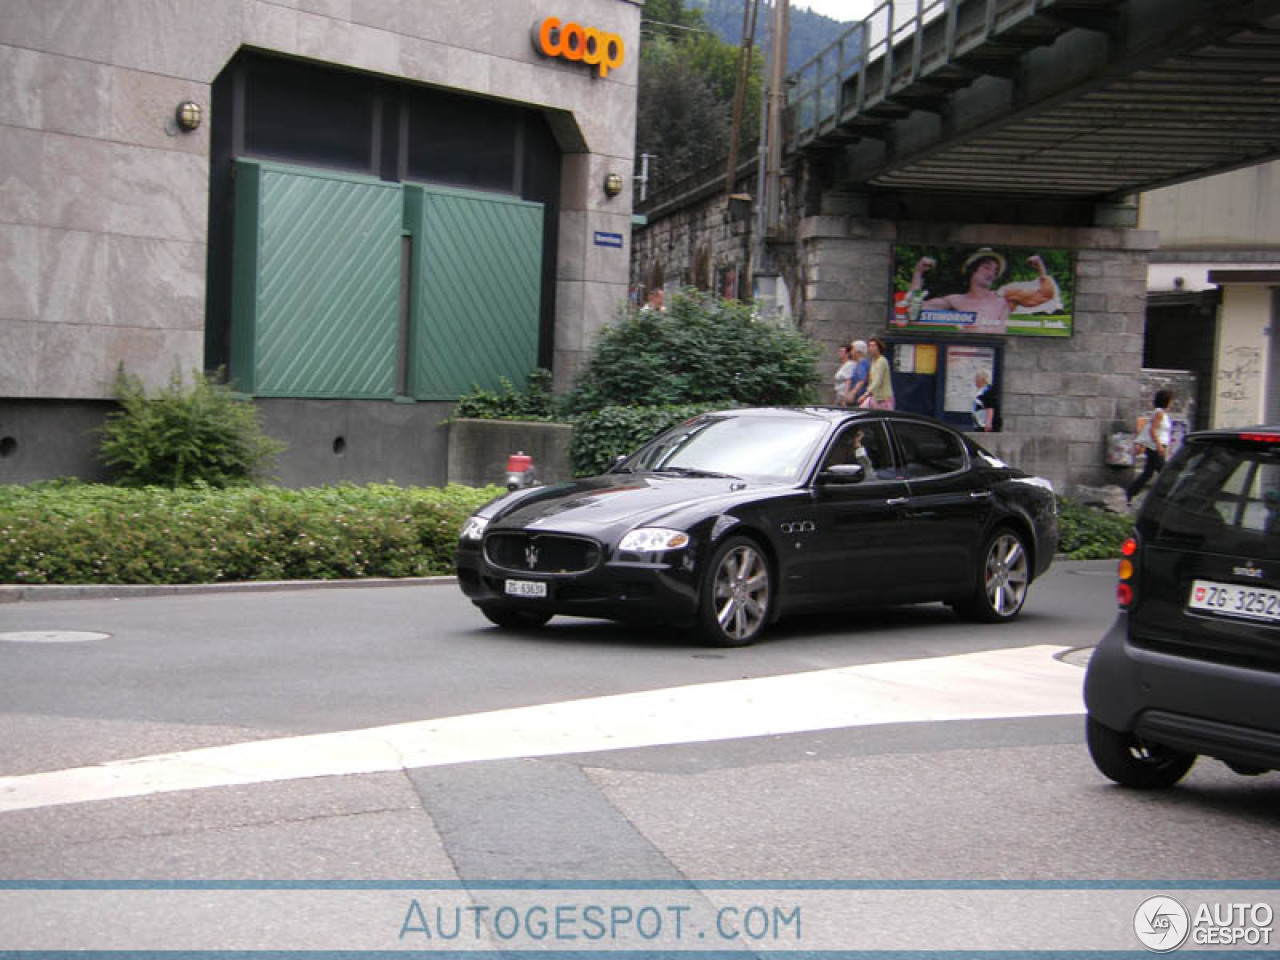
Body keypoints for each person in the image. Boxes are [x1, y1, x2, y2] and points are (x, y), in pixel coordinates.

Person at [907, 248, 1056, 333]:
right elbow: (914, 313)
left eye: (995, 271)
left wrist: (1040, 268)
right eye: (986, 267)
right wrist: (918, 273)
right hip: (962, 360)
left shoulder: (1005, 298)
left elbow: (1044, 295)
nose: (991, 273)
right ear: (973, 270)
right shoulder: (955, 300)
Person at [1127, 389, 1173, 505]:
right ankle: (1168, 497)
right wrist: (1158, 445)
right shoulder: (1159, 414)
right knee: (1166, 473)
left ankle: (1129, 493)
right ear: (1166, 401)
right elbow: (1152, 430)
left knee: (1148, 473)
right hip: (1155, 447)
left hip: (1156, 446)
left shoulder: (1160, 413)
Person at [865, 337, 894, 410]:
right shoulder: (874, 361)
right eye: (870, 346)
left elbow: (877, 381)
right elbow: (872, 380)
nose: (871, 348)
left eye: (873, 346)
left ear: (879, 347)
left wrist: (866, 394)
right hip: (875, 397)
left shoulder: (882, 361)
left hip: (883, 398)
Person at [847, 339, 870, 408]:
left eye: (852, 349)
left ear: (858, 351)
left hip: (859, 397)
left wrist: (852, 393)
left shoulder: (862, 363)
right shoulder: (859, 363)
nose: (850, 352)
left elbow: (861, 380)